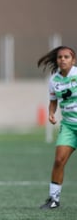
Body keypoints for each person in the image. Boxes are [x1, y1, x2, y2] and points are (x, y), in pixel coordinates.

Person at [37, 45, 77, 209]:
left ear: (73, 60)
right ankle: (54, 199)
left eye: (66, 57)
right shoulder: (54, 80)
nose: (63, 60)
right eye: (60, 57)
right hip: (68, 126)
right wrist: (51, 113)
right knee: (59, 160)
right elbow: (53, 102)